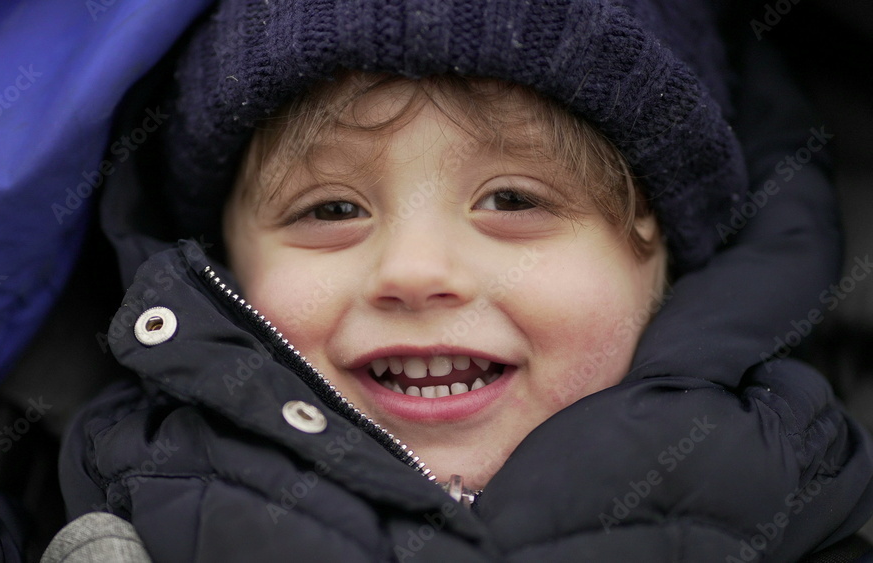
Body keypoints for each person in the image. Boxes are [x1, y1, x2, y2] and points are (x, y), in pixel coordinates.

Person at [53, 0, 873, 561]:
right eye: (330, 208)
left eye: (512, 199)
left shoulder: (794, 492)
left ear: (661, 259)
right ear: (226, 267)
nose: (414, 272)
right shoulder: (126, 485)